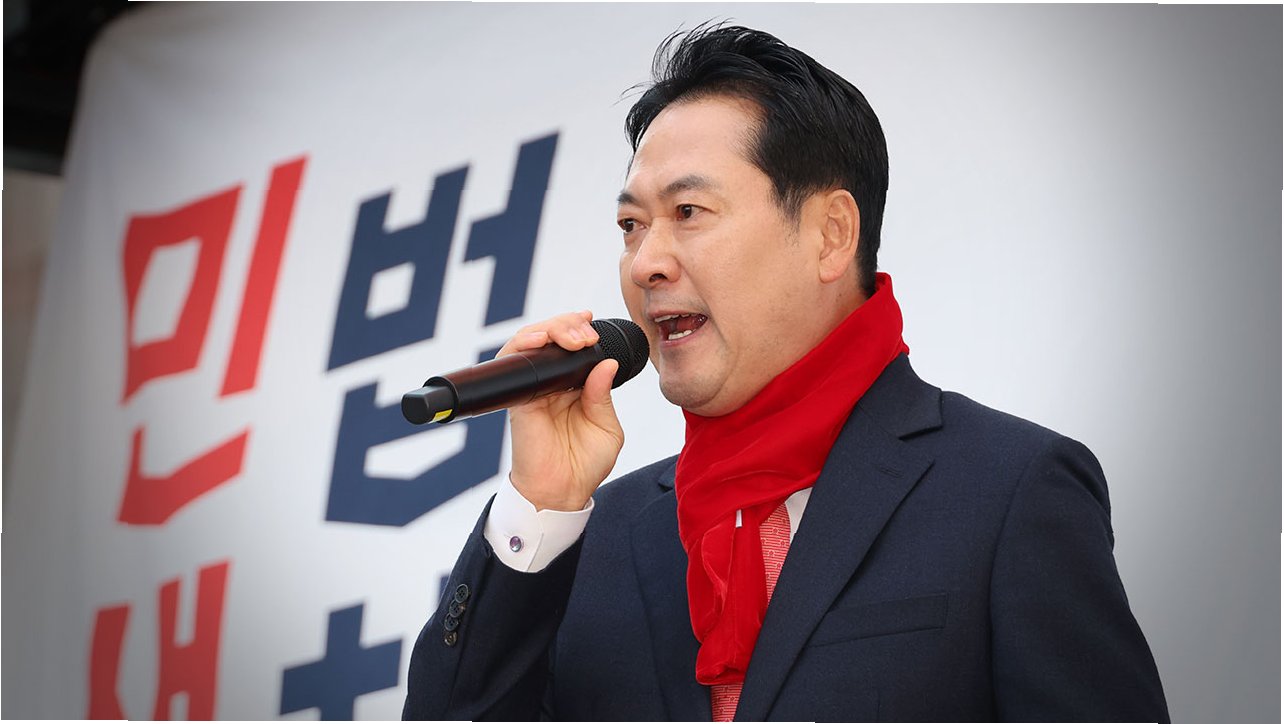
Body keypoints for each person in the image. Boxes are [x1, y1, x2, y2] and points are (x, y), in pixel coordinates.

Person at [403, 24, 1169, 722]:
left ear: (831, 234)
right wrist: (541, 502)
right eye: (631, 226)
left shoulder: (1007, 489)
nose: (644, 264)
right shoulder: (595, 536)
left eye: (689, 212)